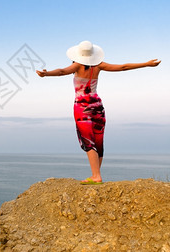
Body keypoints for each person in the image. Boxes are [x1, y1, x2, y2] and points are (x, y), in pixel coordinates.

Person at [36, 40, 160, 185]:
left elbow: (62, 71)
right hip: (97, 105)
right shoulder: (99, 66)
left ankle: (96, 176)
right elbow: (123, 67)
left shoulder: (77, 65)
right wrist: (146, 63)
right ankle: (96, 174)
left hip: (82, 107)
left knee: (89, 141)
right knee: (98, 141)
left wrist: (46, 74)